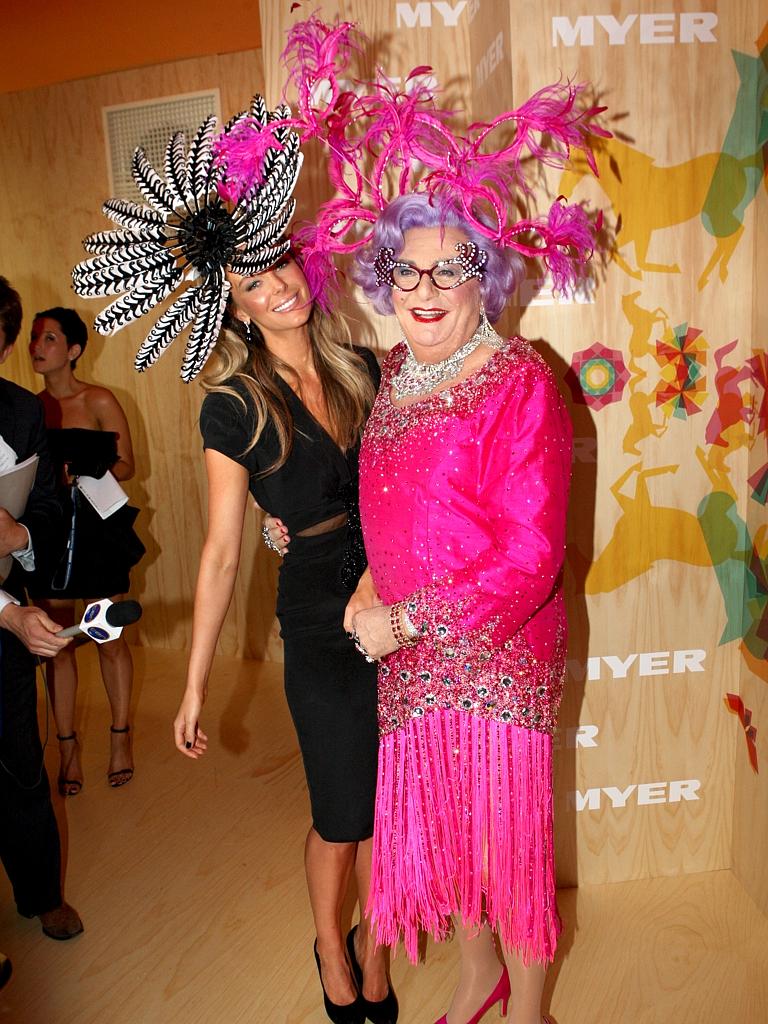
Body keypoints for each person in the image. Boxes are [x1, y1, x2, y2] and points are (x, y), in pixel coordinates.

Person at [72, 96, 396, 1024]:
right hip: (318, 621)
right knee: (343, 808)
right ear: (237, 307)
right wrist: (191, 688)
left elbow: (407, 489)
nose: (278, 286)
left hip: (397, 603)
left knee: (392, 803)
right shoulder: (234, 408)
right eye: (254, 284)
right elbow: (219, 556)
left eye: (280, 264)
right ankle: (331, 949)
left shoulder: (366, 369)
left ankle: (378, 953)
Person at [344, 194, 573, 1024]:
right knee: (450, 840)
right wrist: (372, 579)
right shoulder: (399, 372)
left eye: (451, 267)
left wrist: (403, 620)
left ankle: (529, 1013)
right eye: (405, 268)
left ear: (489, 280)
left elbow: (530, 558)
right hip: (409, 649)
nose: (425, 286)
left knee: (506, 851)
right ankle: (481, 981)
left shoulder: (521, 381)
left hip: (497, 652)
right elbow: (398, 506)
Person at [28, 307, 144, 796]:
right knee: (57, 643)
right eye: (35, 337)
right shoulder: (27, 407)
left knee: (108, 637)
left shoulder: (97, 399)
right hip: (50, 533)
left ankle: (120, 739)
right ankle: (68, 745)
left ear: (73, 351)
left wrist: (83, 470)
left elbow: (129, 465)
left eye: (50, 338)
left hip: (96, 531)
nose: (39, 345)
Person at [0, 275, 83, 941]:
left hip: (6, 632)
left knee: (21, 767)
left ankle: (41, 894)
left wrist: (20, 535)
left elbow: (53, 512)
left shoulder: (24, 415)